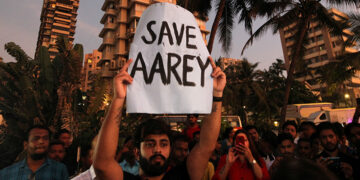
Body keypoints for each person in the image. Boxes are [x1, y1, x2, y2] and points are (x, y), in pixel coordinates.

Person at [93, 57, 226, 180]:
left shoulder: (184, 176)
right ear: (137, 152)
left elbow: (206, 146)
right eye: (150, 144)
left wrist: (217, 93)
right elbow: (102, 164)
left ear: (170, 149)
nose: (158, 150)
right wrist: (119, 98)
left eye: (164, 144)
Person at [0, 125, 68, 179]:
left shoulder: (59, 169)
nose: (41, 142)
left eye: (45, 138)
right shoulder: (7, 173)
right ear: (26, 145)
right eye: (36, 138)